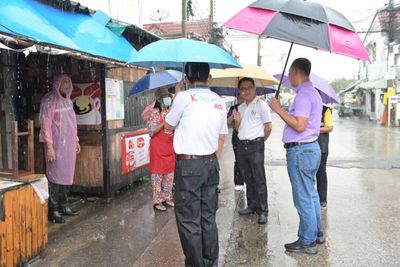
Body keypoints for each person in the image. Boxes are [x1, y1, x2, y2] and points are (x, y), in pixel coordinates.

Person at [164, 62, 228, 267]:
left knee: (189, 218)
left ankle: (195, 264)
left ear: (187, 78)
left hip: (189, 166)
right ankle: (210, 263)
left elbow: (167, 125)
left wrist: (177, 94)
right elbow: (221, 135)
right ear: (208, 77)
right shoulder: (219, 100)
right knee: (208, 217)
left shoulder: (183, 98)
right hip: (211, 163)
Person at [268, 58, 325, 254]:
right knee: (311, 194)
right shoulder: (313, 93)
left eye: (290, 73)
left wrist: (277, 109)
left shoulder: (302, 96)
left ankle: (307, 240)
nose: (289, 77)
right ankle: (316, 233)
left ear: (294, 72)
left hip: (301, 150)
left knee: (303, 197)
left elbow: (300, 125)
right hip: (310, 148)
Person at [39, 74, 81, 224]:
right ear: (57, 84)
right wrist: (49, 146)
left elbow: (72, 124)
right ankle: (53, 209)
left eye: (68, 83)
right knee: (55, 177)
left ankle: (64, 205)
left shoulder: (68, 101)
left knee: (67, 175)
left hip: (68, 146)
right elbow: (45, 125)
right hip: (55, 145)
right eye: (64, 83)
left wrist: (76, 140)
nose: (66, 86)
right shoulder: (49, 100)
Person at [232, 77, 272, 225]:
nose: (246, 91)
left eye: (249, 87)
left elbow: (268, 127)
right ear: (240, 91)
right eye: (243, 88)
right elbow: (238, 129)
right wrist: (236, 121)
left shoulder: (262, 105)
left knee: (259, 178)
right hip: (242, 146)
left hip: (256, 145)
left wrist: (259, 141)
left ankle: (263, 210)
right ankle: (252, 205)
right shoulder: (240, 108)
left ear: (254, 88)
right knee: (247, 177)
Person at [146, 87, 175, 211]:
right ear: (159, 98)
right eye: (164, 96)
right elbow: (151, 131)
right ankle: (157, 201)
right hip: (158, 149)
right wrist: (165, 121)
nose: (167, 98)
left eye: (168, 96)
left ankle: (166, 198)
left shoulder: (170, 110)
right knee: (158, 176)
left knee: (169, 176)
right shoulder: (154, 112)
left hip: (169, 148)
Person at [316, 105, 333, 208]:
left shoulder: (325, 110)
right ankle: (311, 198)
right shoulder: (306, 108)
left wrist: (314, 130)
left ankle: (322, 199)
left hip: (321, 146)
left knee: (321, 172)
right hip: (307, 145)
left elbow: (330, 127)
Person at [227, 94, 244, 191]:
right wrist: (233, 115)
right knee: (238, 159)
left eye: (242, 97)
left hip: (247, 136)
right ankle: (238, 181)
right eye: (239, 97)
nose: (241, 99)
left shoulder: (249, 107)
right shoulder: (234, 108)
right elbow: (227, 123)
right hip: (236, 136)